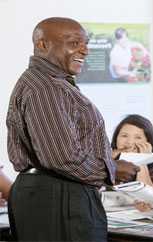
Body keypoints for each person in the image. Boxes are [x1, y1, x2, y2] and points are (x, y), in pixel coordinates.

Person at [6, 17, 140, 241]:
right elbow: (62, 158)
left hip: (54, 194)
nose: (85, 50)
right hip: (59, 196)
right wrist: (112, 169)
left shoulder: (49, 83)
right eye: (74, 43)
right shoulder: (45, 88)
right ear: (43, 45)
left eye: (85, 43)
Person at [111, 114, 153, 192]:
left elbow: (150, 197)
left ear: (148, 142)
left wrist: (143, 160)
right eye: (124, 136)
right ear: (116, 138)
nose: (129, 142)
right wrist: (108, 160)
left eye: (138, 137)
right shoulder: (109, 158)